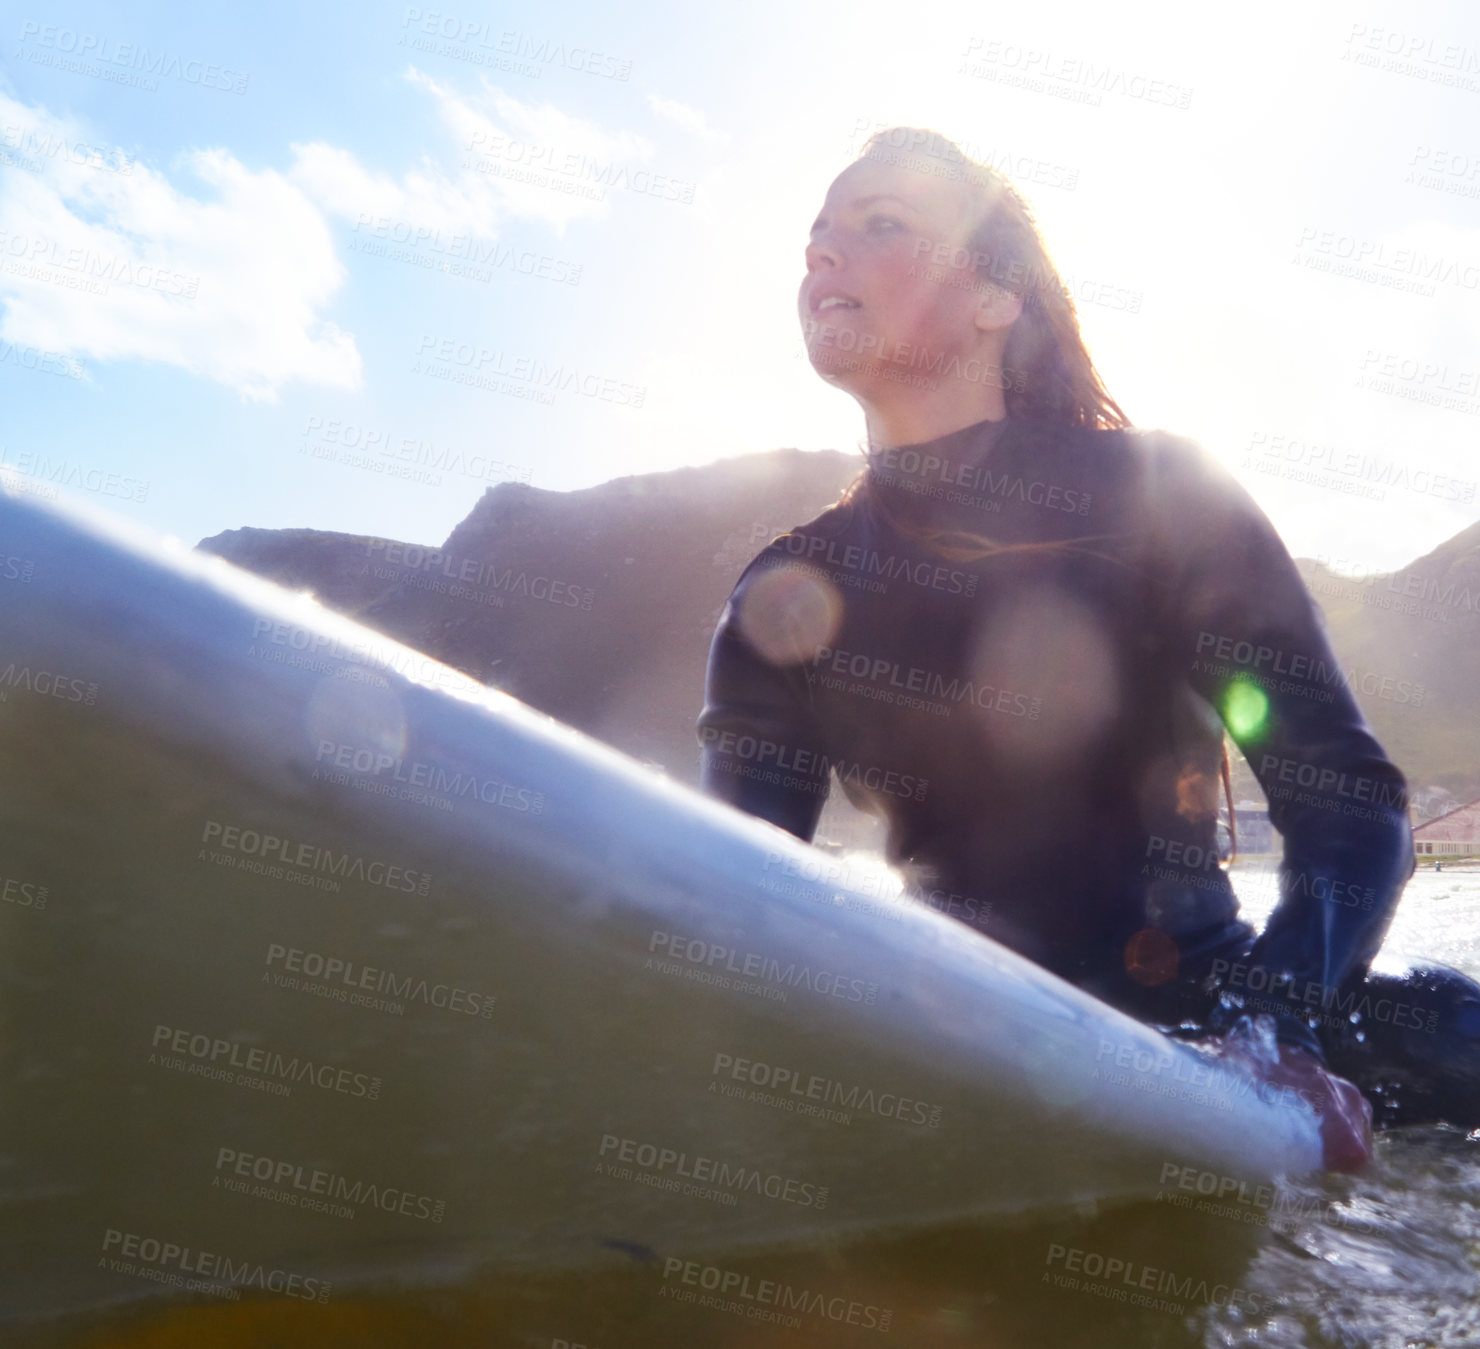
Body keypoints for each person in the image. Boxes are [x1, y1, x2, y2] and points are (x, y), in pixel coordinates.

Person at [695, 127, 1480, 1170]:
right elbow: (737, 901)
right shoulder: (785, 596)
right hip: (963, 1030)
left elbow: (1344, 799)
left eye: (880, 225)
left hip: (1204, 1012)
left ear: (994, 297)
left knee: (1451, 1027)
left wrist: (1265, 1033)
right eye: (817, 235)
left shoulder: (1164, 503)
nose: (821, 255)